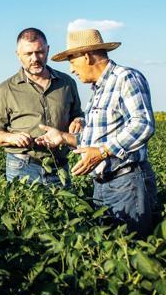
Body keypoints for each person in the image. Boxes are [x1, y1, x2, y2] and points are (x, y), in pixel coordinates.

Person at [35, 28, 158, 237]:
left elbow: (143, 124)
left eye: (72, 62)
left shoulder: (125, 78)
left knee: (132, 248)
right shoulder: (99, 90)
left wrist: (102, 152)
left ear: (86, 56)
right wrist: (63, 137)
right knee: (109, 247)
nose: (72, 69)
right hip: (102, 184)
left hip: (126, 183)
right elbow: (96, 139)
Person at [0, 28, 84, 188]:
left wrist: (79, 121)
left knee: (64, 212)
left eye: (39, 52)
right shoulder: (5, 89)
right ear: (18, 55)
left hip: (59, 165)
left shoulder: (67, 83)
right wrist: (10, 137)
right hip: (22, 166)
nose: (35, 58)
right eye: (28, 54)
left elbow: (78, 114)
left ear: (47, 50)